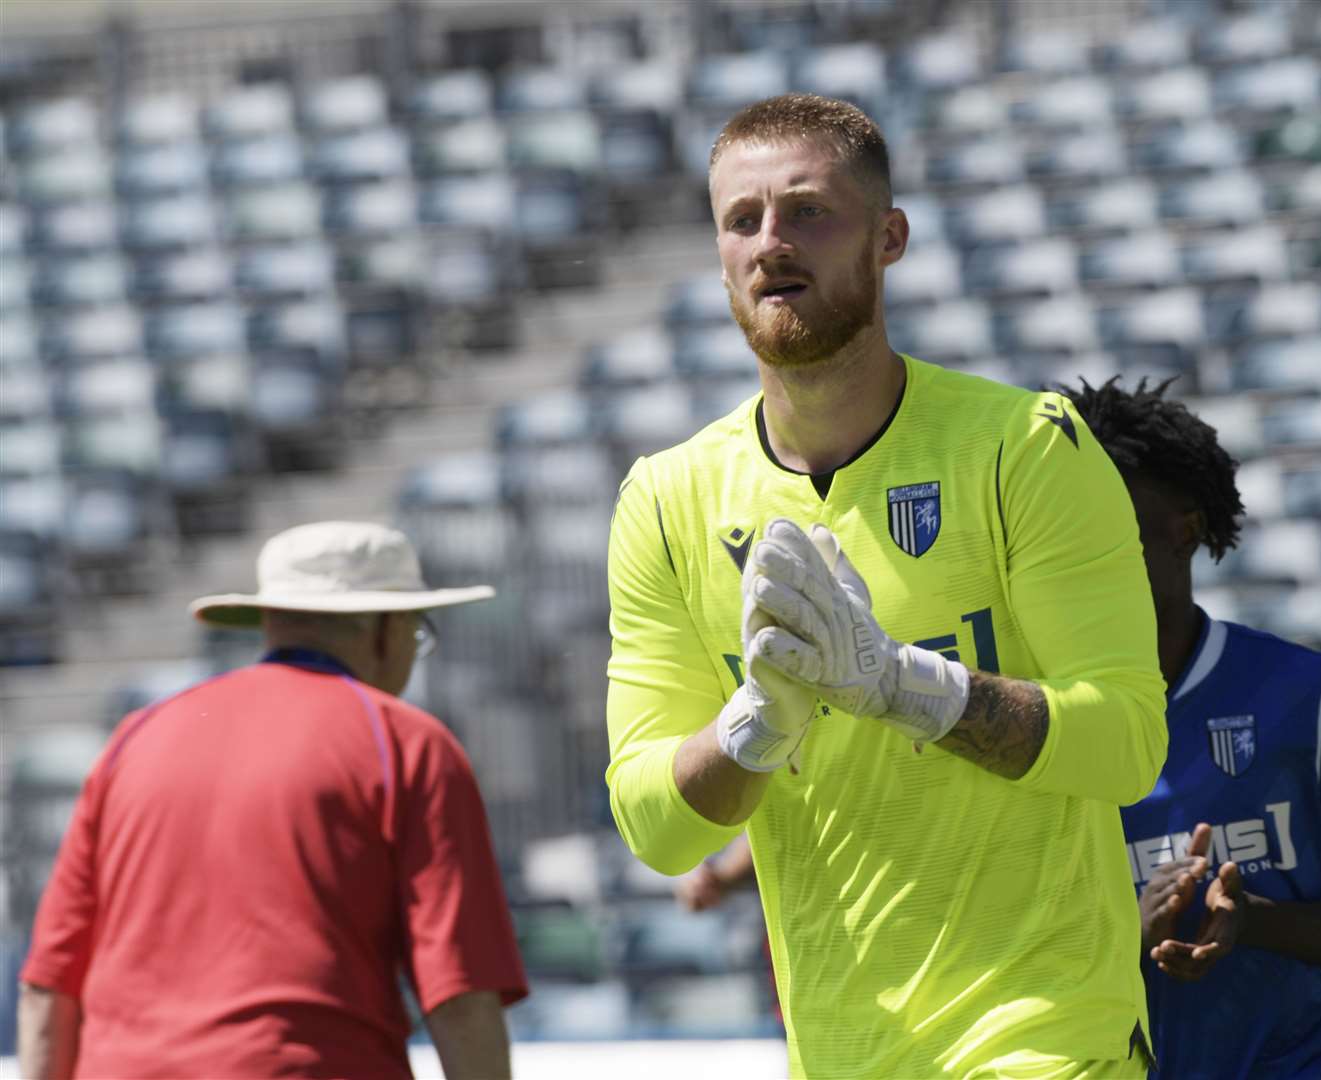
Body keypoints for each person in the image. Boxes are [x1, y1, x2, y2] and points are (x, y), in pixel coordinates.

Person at [604, 93, 1167, 1078]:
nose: (771, 242)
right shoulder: (666, 497)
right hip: (843, 1052)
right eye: (743, 220)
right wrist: (758, 722)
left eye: (808, 211)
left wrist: (905, 688)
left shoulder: (1024, 448)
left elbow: (1125, 743)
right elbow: (655, 824)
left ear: (889, 236)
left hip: (1045, 1037)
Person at [17, 521, 528, 1079]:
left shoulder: (135, 738)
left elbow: (48, 990)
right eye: (416, 632)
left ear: (271, 620)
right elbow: (461, 1000)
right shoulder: (406, 744)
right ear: (386, 626)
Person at [1059, 377, 1321, 1079]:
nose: (1085, 548)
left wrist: (1256, 921)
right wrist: (1127, 935)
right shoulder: (1041, 725)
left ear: (1185, 529)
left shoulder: (1306, 694)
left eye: (1111, 519)